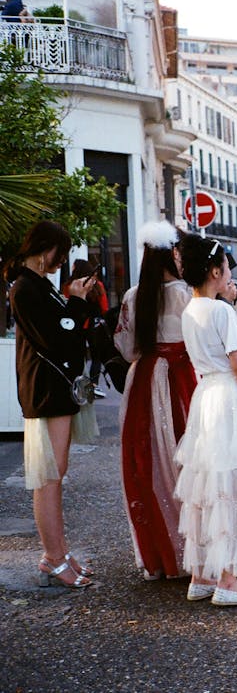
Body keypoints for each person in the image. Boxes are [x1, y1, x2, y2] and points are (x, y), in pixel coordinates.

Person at [174, 235, 237, 606]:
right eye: (227, 266)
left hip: (204, 397)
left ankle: (202, 575)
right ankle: (228, 581)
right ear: (216, 271)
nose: (230, 272)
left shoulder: (190, 310)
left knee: (205, 487)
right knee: (230, 485)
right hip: (227, 398)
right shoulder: (221, 312)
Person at [6, 221, 98, 589]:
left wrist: (73, 302)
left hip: (54, 390)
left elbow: (66, 331)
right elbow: (58, 337)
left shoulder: (37, 286)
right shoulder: (26, 288)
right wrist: (76, 301)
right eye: (60, 254)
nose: (62, 262)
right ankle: (53, 558)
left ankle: (58, 553)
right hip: (45, 391)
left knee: (54, 474)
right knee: (49, 478)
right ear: (46, 249)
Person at [114, 221, 197, 580]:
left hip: (144, 383)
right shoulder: (186, 294)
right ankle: (194, 552)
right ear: (172, 253)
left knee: (147, 465)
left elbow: (127, 347)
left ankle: (161, 554)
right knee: (189, 462)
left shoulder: (134, 296)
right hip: (181, 382)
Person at [64, 259, 109, 397]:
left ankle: (79, 382)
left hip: (78, 325)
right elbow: (105, 307)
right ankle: (94, 384)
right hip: (94, 326)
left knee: (79, 355)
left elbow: (67, 305)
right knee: (96, 356)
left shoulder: (70, 286)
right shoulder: (98, 286)